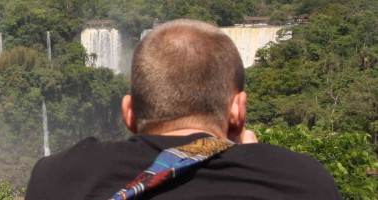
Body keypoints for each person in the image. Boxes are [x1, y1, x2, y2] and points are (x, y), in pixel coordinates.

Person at [25, 19, 340, 199]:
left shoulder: (58, 178)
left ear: (128, 112)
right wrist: (257, 159)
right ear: (239, 110)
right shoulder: (302, 181)